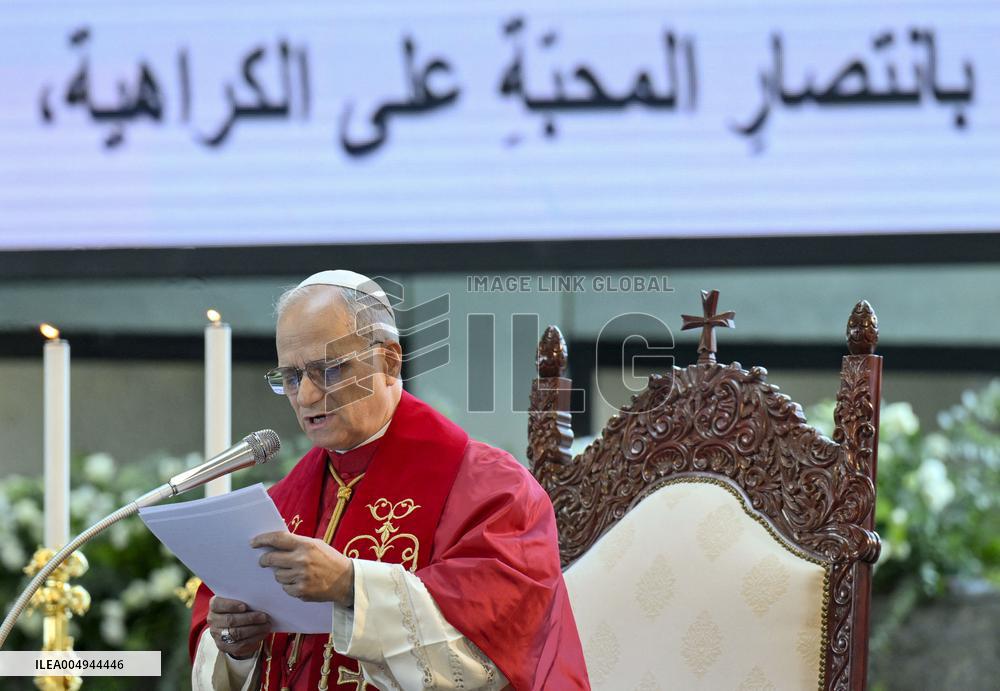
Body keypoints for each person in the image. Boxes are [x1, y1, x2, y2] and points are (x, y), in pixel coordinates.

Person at [188, 270, 589, 690]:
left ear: (389, 361)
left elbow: (494, 656)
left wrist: (349, 586)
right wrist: (237, 648)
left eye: (329, 370)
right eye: (290, 377)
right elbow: (221, 644)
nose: (305, 397)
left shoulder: (496, 493)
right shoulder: (279, 506)